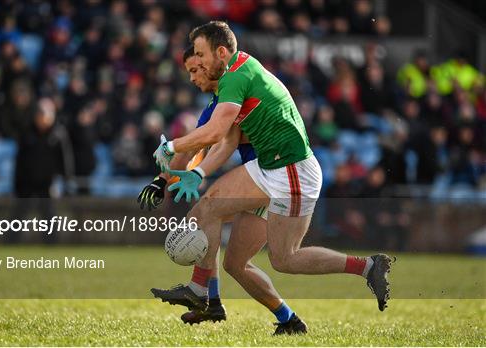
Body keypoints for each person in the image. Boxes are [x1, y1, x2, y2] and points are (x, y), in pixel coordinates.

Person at [151, 21, 392, 334]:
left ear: (221, 53)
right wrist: (196, 172)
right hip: (270, 168)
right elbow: (226, 141)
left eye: (200, 56)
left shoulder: (235, 76)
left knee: (284, 258)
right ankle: (284, 319)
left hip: (290, 170)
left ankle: (368, 267)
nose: (196, 66)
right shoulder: (233, 78)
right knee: (231, 256)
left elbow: (213, 133)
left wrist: (170, 147)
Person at [141, 47, 300, 330]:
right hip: (259, 180)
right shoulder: (218, 103)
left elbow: (214, 142)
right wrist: (162, 180)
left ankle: (203, 294)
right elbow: (195, 144)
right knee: (234, 262)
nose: (192, 78)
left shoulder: (235, 91)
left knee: (205, 215)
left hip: (271, 178)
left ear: (212, 62)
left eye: (195, 69)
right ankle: (288, 319)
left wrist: (190, 167)